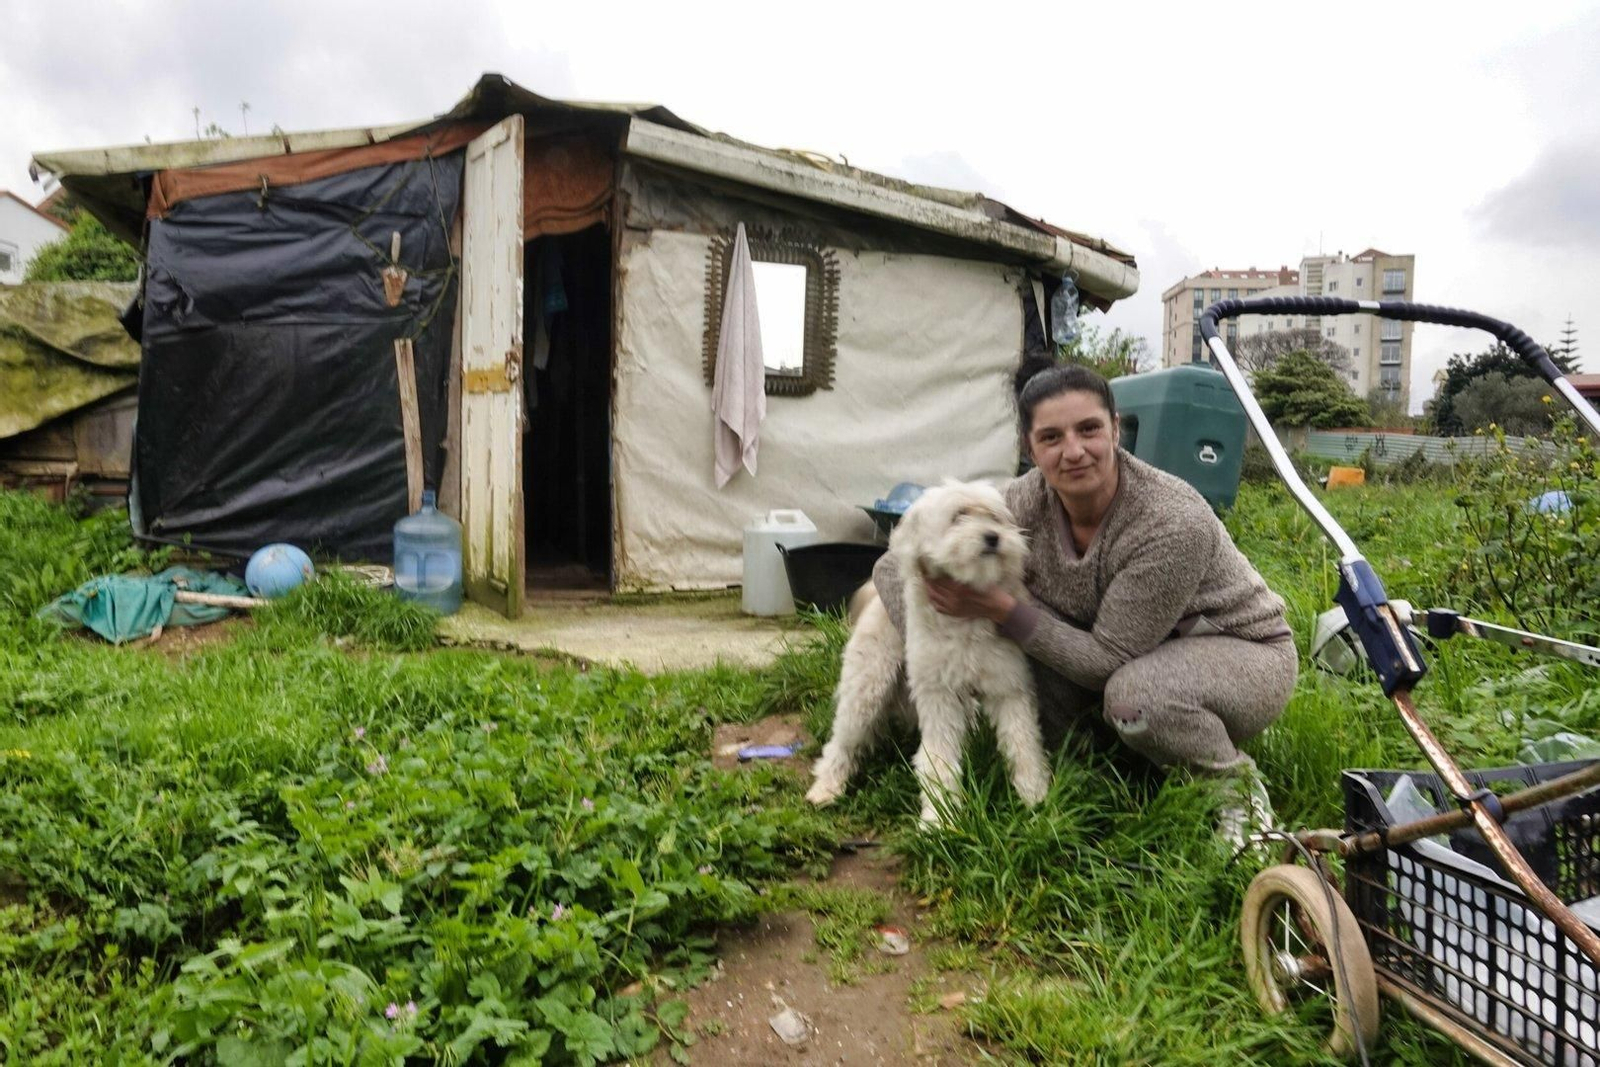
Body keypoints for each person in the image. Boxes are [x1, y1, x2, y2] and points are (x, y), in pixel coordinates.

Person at [872, 358, 1297, 847]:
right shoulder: (1022, 502)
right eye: (1051, 437)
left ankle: (1236, 788)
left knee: (1135, 697)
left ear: (1116, 429)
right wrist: (937, 656)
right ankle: (1121, 763)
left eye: (1089, 429)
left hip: (1238, 650)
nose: (1073, 452)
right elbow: (891, 566)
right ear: (1029, 448)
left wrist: (998, 609)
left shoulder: (1169, 521)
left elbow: (1106, 660)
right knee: (1048, 680)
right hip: (1118, 647)